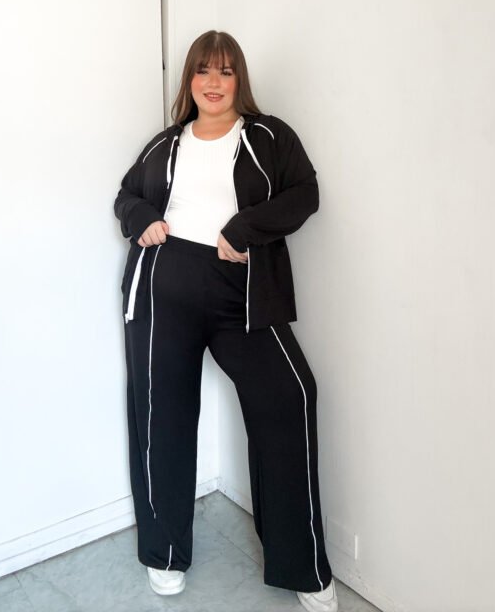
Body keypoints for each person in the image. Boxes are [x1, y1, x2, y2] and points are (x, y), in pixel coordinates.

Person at [113, 30, 337, 612]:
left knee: (290, 396)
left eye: (226, 71)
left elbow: (304, 194)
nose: (213, 83)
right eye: (203, 71)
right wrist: (141, 217)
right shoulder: (164, 144)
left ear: (240, 80)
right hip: (163, 284)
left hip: (241, 288)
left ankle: (303, 564)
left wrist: (243, 230)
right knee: (161, 414)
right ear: (189, 80)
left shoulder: (268, 136)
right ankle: (164, 552)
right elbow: (125, 196)